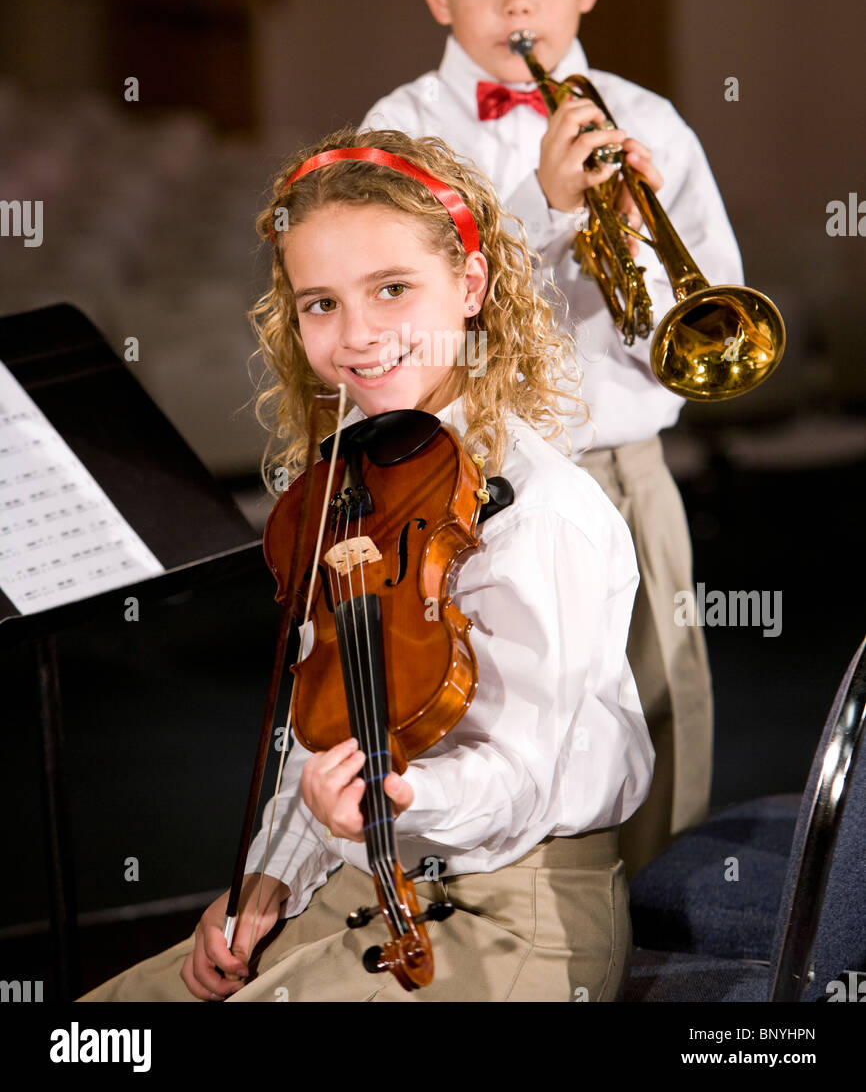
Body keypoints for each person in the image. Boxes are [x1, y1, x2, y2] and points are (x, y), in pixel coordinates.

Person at [79, 126, 652, 1003]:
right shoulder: (343, 481)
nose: (358, 336)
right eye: (320, 304)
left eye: (392, 290)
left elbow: (524, 785)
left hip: (509, 914)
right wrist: (272, 869)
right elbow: (322, 717)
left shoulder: (546, 513)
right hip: (348, 884)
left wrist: (396, 801)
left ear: (470, 284)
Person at [360, 0, 744, 874]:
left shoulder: (650, 120)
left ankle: (657, 946)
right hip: (467, 490)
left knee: (659, 704)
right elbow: (407, 334)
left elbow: (694, 330)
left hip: (623, 476)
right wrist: (539, 211)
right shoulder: (398, 131)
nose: (516, 5)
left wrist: (631, 240)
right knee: (486, 725)